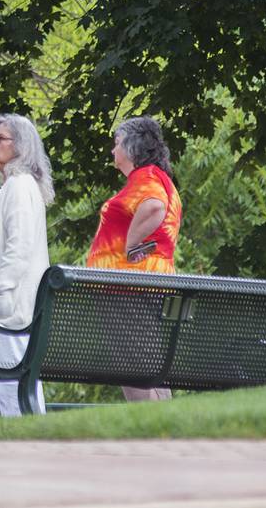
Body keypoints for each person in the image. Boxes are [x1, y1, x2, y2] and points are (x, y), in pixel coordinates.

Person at [86, 115, 183, 401]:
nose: (112, 151)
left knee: (131, 370)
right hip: (142, 283)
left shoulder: (146, 178)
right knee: (149, 368)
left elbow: (154, 207)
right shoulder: (159, 177)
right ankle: (165, 432)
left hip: (126, 286)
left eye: (116, 144)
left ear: (131, 148)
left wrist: (131, 243)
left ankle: (151, 434)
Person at [0, 113, 54, 416]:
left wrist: (0, 288)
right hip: (8, 304)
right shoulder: (16, 185)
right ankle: (28, 443)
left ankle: (24, 446)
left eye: (1, 138)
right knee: (15, 383)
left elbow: (19, 245)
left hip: (10, 305)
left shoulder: (19, 186)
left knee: (12, 384)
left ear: (21, 147)